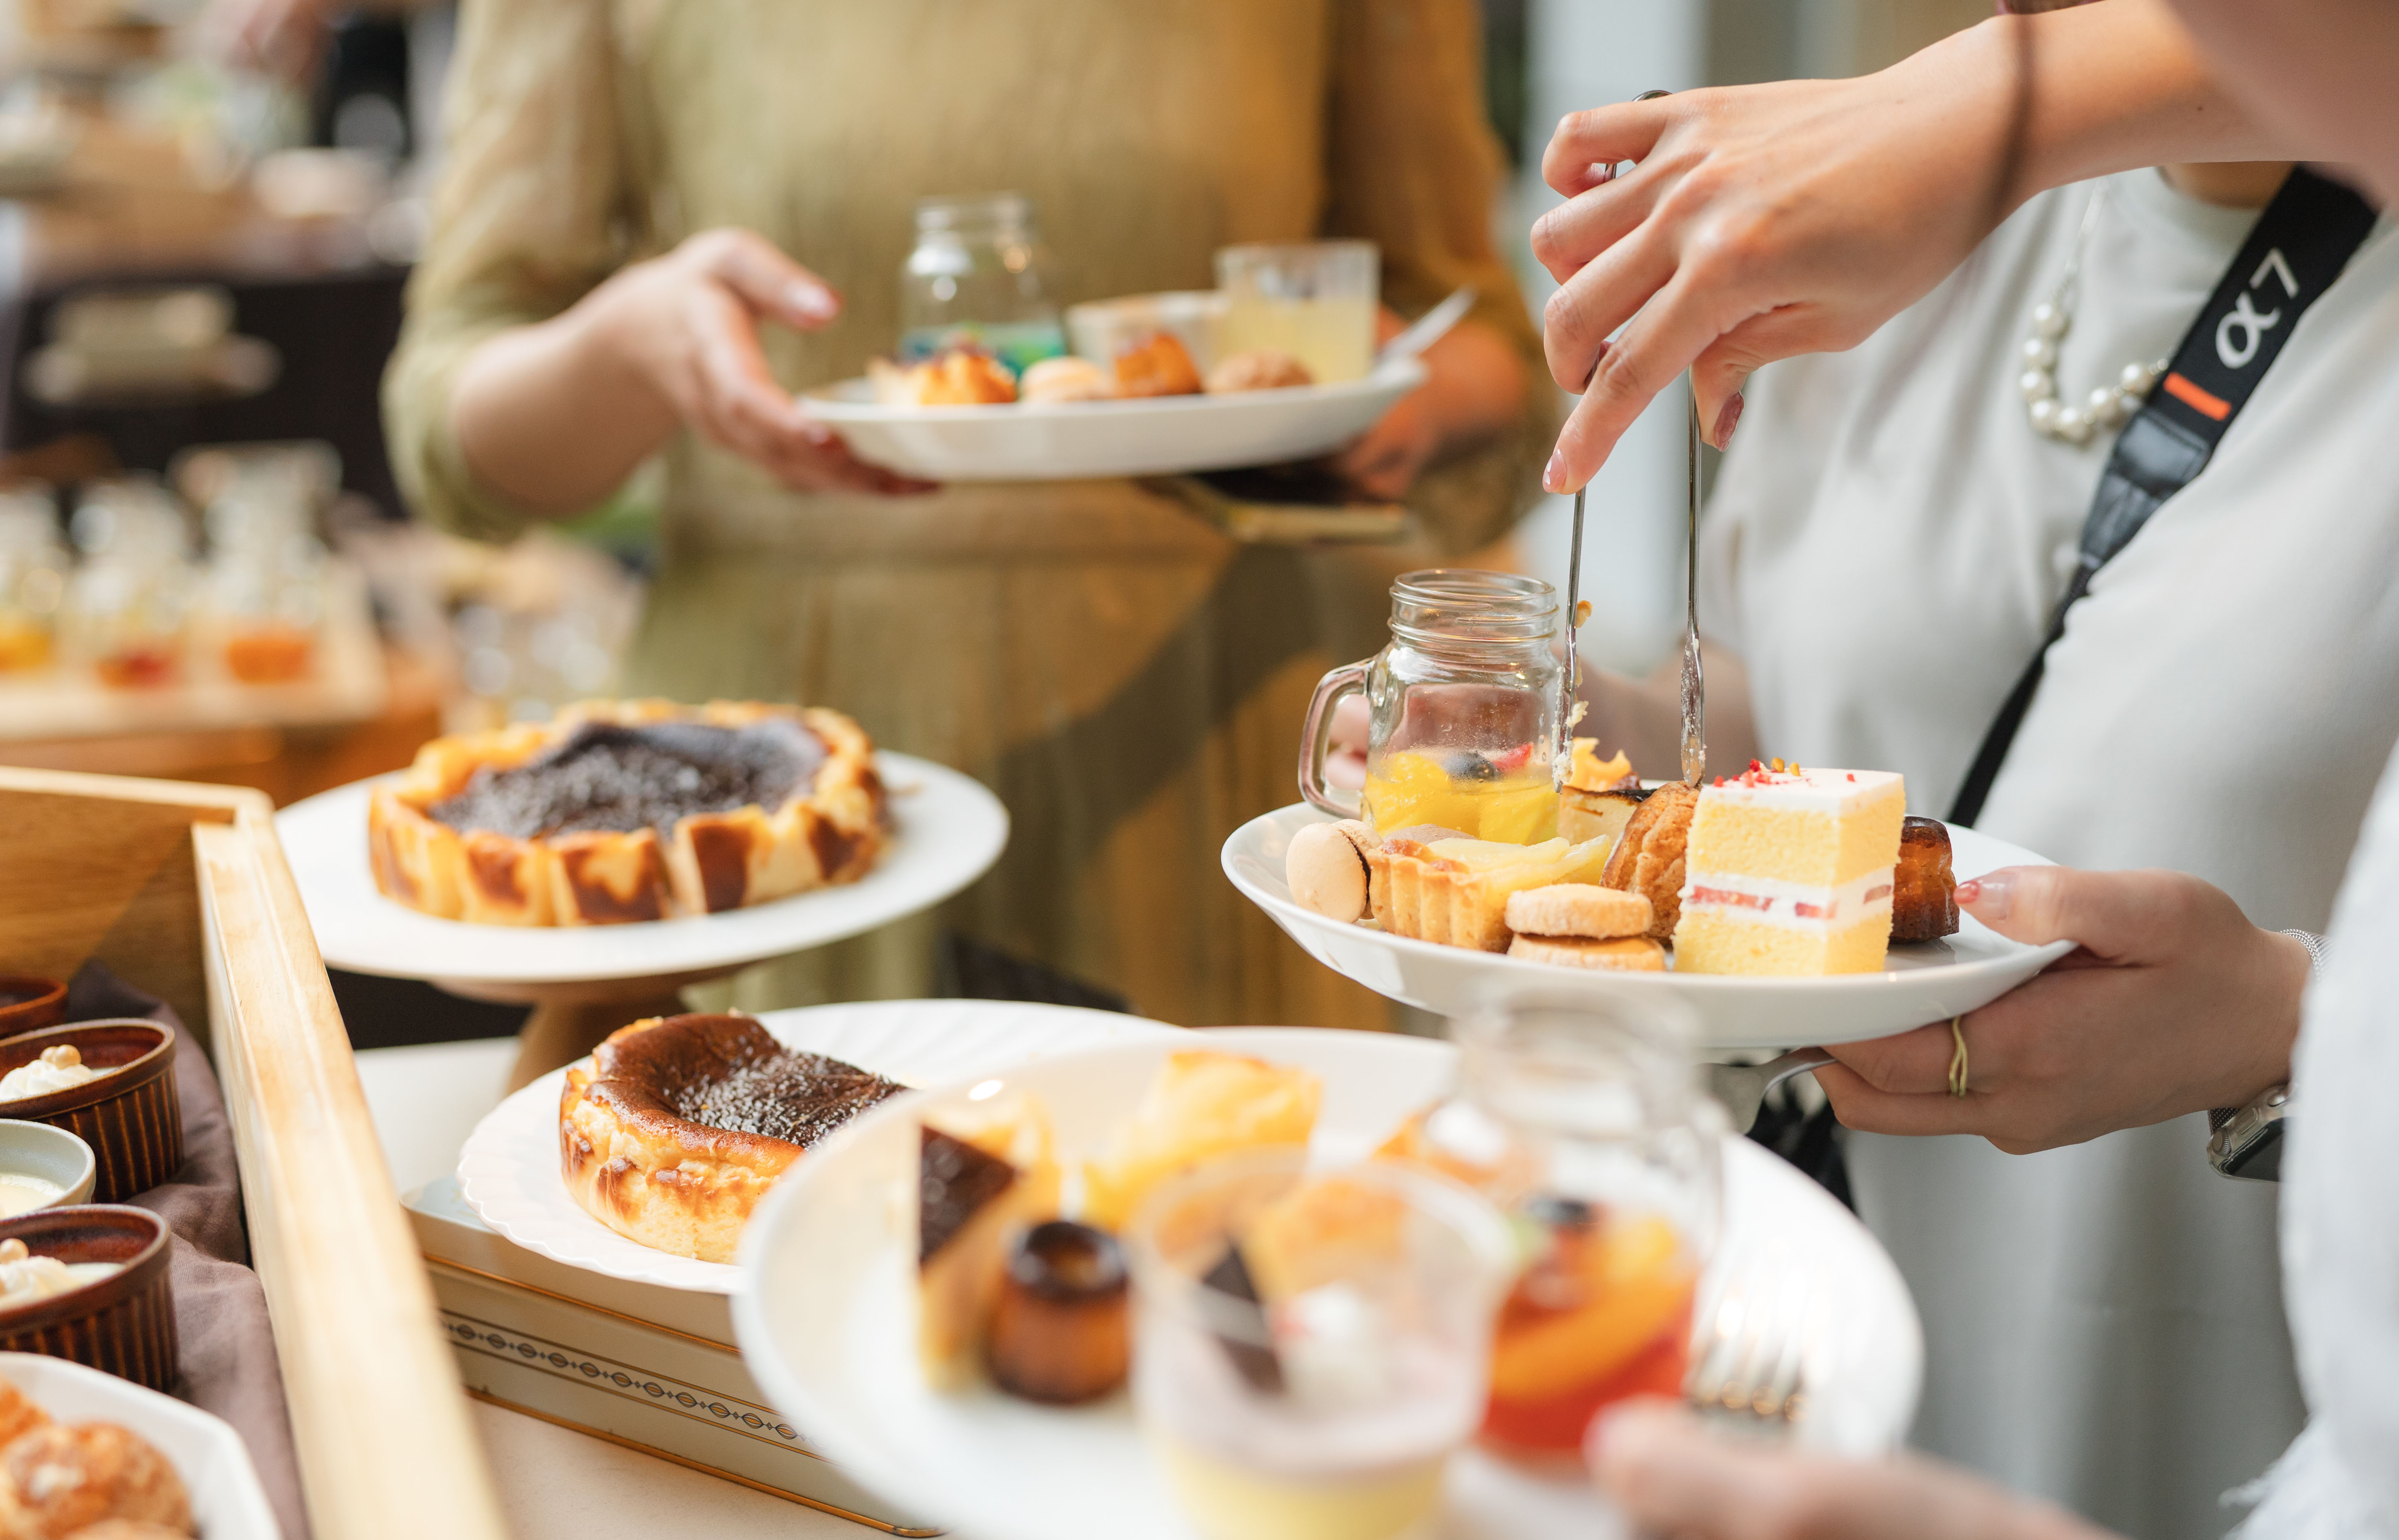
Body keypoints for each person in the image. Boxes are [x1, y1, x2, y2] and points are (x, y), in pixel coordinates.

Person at [1553, 1, 2399, 1540]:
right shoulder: (1866, 214)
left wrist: (2279, 1031)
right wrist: (1577, 742)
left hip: (2216, 1420)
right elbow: (1803, 723)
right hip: (1813, 1345)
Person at [383, 0, 1554, 1026]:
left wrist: (1375, 398)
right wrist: (630, 346)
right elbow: (451, 431)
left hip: (1210, 741)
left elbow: (1487, 342)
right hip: (776, 795)